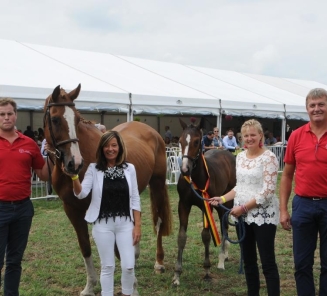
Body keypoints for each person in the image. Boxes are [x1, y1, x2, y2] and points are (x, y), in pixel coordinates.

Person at [62, 131, 141, 296]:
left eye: (114, 145)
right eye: (106, 145)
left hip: (125, 223)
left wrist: (137, 226)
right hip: (102, 224)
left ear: (119, 147)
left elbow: (135, 199)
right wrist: (74, 177)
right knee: (108, 266)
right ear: (101, 148)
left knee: (128, 265)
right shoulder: (94, 169)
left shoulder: (130, 169)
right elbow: (81, 194)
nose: (110, 149)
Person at [209, 119, 280, 296]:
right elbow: (239, 186)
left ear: (260, 136)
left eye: (252, 135)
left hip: (262, 216)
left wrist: (244, 208)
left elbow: (268, 191)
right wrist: (223, 198)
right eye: (246, 135)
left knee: (267, 262)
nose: (249, 139)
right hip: (243, 217)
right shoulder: (240, 157)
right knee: (249, 261)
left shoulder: (269, 157)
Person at [0, 98, 50, 296]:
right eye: (2, 114)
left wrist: (50, 156)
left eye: (9, 113)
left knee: (14, 260)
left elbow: (43, 174)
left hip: (23, 209)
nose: (6, 118)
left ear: (16, 115)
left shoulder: (29, 144)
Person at [280, 88, 327, 296]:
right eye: (313, 105)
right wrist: (283, 209)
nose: (317, 109)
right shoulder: (297, 136)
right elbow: (287, 175)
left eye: (321, 104)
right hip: (303, 205)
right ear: (307, 109)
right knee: (301, 263)